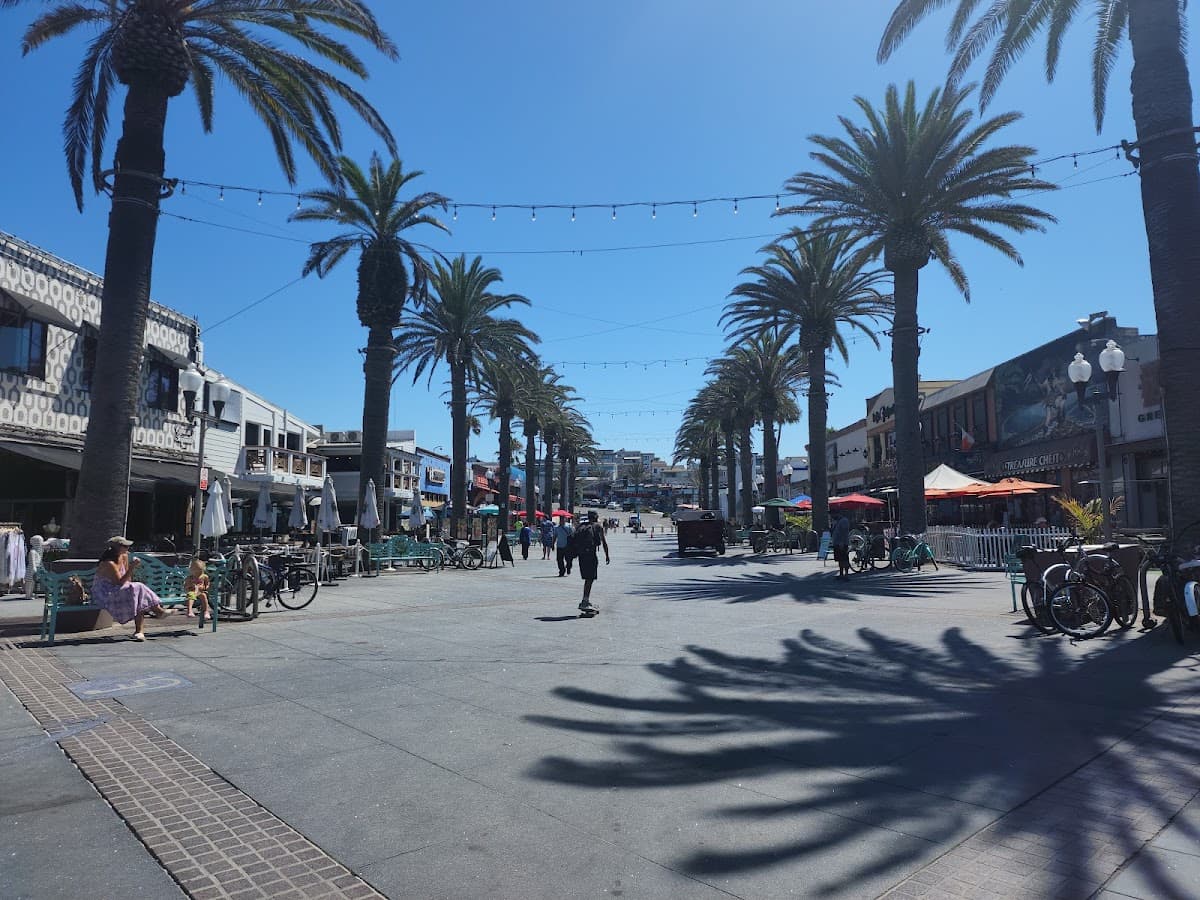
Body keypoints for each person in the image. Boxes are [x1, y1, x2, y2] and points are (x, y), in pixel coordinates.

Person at [90, 537, 165, 641]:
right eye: (125, 546)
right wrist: (132, 567)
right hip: (104, 592)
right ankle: (157, 612)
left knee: (138, 593)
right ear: (117, 548)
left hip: (117, 588)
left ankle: (140, 631)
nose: (128, 547)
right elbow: (119, 582)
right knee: (138, 589)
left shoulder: (124, 556)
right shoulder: (109, 563)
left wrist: (131, 586)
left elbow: (127, 579)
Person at [573, 510, 610, 614]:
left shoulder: (581, 526)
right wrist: (607, 555)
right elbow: (604, 542)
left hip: (581, 556)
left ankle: (585, 599)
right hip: (591, 555)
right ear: (596, 517)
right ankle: (585, 600)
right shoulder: (598, 527)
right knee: (590, 578)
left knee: (587, 578)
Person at [830, 510, 851, 579]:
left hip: (842, 543)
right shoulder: (835, 521)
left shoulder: (844, 521)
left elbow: (844, 532)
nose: (832, 516)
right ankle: (841, 574)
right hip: (836, 543)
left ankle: (846, 574)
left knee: (844, 558)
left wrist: (842, 542)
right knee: (839, 559)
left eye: (833, 514)